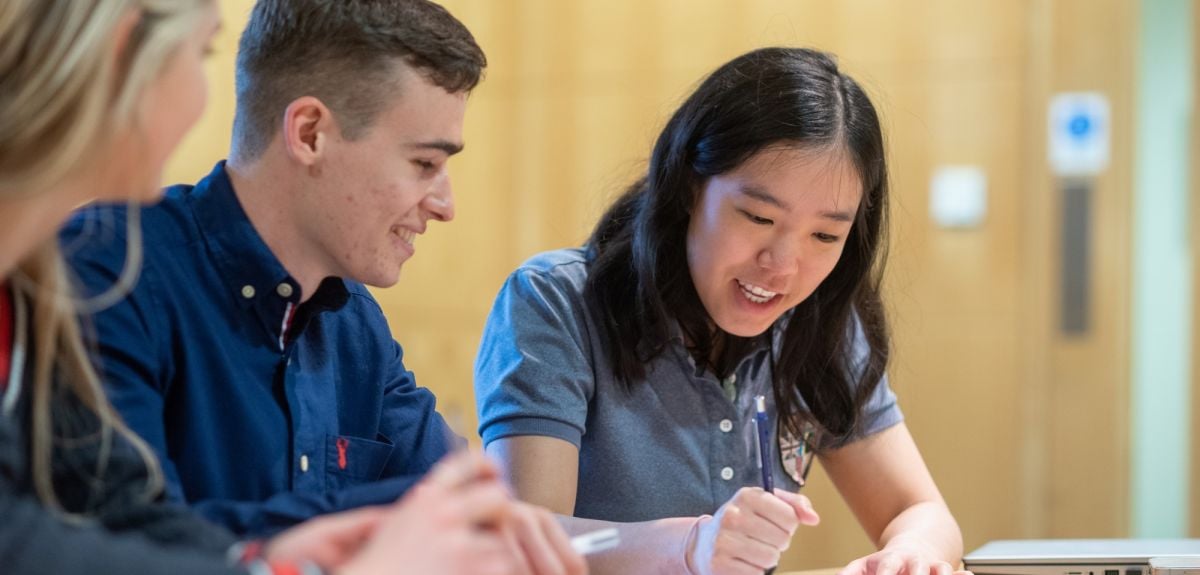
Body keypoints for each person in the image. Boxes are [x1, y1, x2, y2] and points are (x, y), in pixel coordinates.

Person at [1, 1, 580, 574]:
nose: (446, 205)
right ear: (309, 133)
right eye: (424, 164)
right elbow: (116, 535)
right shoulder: (109, 271)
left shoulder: (354, 321)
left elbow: (463, 503)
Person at [475, 47, 968, 575]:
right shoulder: (555, 302)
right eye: (758, 217)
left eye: (825, 235)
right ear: (689, 186)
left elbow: (917, 511)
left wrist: (913, 553)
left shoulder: (821, 324)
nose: (782, 266)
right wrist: (690, 546)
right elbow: (524, 541)